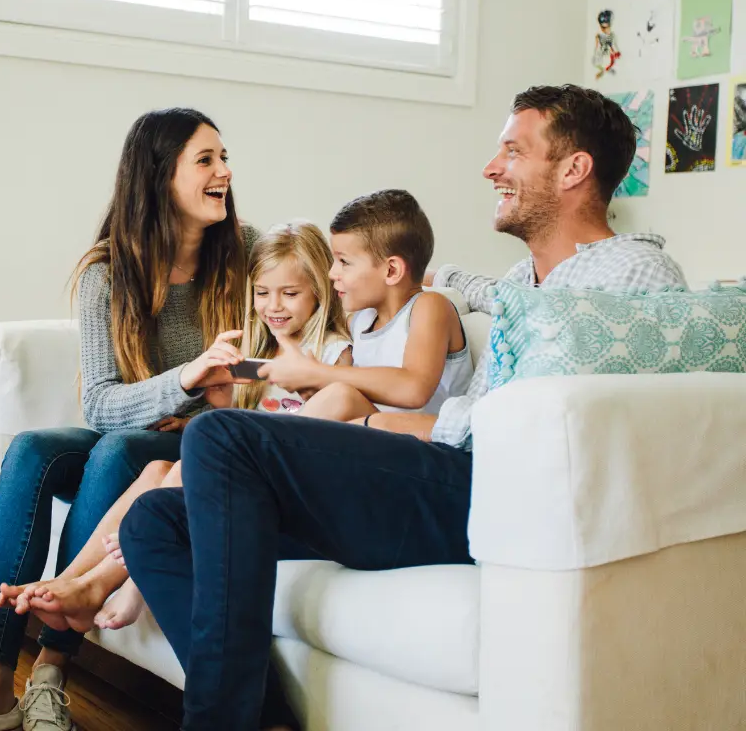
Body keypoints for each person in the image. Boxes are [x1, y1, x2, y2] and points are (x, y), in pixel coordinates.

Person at [118, 85, 689, 730]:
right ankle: (267, 718)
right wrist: (443, 285)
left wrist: (398, 422)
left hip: (491, 488)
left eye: (512, 150)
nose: (491, 167)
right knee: (155, 524)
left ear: (573, 170)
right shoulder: (523, 284)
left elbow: (572, 423)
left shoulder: (633, 277)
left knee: (222, 438)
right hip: (438, 472)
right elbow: (481, 299)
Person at [0, 108, 256, 731]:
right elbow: (99, 402)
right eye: (206, 160)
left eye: (224, 158)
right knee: (32, 449)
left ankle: (50, 669)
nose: (224, 173)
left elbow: (290, 332)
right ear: (158, 177)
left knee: (121, 450)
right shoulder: (108, 272)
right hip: (130, 438)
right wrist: (184, 380)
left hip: (204, 446)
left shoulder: (248, 257)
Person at [0, 220, 351, 635]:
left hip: (281, 482)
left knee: (180, 471)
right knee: (153, 472)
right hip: (250, 469)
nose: (274, 305)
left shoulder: (332, 353)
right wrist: (202, 410)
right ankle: (68, 579)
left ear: (320, 293)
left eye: (290, 294)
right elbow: (243, 417)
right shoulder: (260, 353)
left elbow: (327, 429)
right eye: (261, 293)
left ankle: (100, 585)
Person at [259, 189, 473, 424]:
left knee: (341, 397)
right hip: (370, 442)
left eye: (344, 262)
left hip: (431, 448)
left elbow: (414, 389)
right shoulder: (358, 322)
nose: (332, 273)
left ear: (391, 271)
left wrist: (319, 374)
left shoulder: (430, 307)